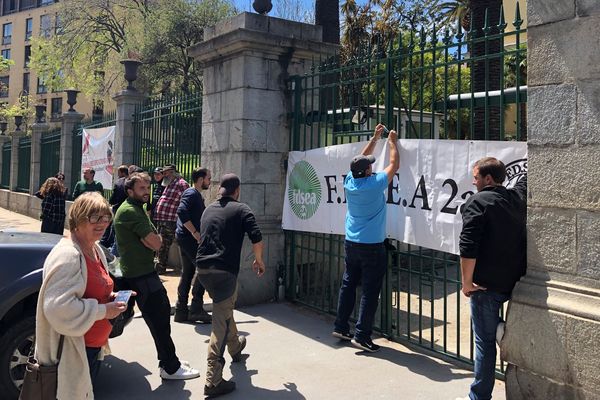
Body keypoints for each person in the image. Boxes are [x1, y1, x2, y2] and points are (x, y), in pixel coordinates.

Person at [34, 192, 128, 399]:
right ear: (78, 219)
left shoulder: (94, 249)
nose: (102, 223)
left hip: (91, 348)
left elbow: (90, 288)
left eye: (106, 218)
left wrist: (109, 297)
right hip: (74, 352)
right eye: (94, 217)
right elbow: (57, 309)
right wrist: (104, 311)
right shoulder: (69, 255)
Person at [113, 172, 200, 380]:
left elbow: (153, 240)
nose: (146, 192)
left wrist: (152, 239)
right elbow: (157, 243)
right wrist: (153, 240)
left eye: (147, 187)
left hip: (140, 272)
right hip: (141, 275)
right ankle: (170, 367)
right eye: (141, 188)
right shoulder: (131, 212)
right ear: (130, 190)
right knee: (159, 320)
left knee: (158, 320)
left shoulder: (137, 209)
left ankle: (169, 360)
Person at [456, 157, 527, 400]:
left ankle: (479, 396)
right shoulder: (516, 199)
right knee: (491, 336)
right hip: (514, 282)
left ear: (487, 179)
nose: (473, 181)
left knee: (484, 344)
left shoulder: (477, 202)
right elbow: (525, 182)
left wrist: (467, 284)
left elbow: (468, 246)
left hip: (485, 287)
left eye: (475, 177)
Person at [195, 173, 265, 397]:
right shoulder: (242, 209)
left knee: (224, 309)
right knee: (220, 323)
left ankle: (235, 348)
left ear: (220, 190)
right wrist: (259, 260)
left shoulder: (208, 209)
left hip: (203, 271)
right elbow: (257, 237)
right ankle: (213, 379)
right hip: (224, 272)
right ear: (237, 191)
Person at [332, 124, 399, 353]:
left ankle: (341, 326)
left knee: (349, 283)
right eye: (369, 165)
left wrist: (374, 138)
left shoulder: (350, 181)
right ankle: (362, 335)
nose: (372, 166)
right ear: (368, 172)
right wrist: (391, 142)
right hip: (372, 245)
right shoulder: (374, 183)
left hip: (352, 242)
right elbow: (394, 165)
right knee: (371, 291)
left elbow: (359, 161)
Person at [174, 167, 212, 323]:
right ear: (201, 179)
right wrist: (195, 233)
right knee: (204, 269)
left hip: (184, 238)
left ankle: (181, 310)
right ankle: (196, 308)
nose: (210, 181)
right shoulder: (191, 193)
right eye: (209, 178)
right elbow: (181, 211)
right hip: (189, 239)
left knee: (188, 272)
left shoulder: (194, 194)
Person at [154, 164, 189, 274]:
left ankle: (161, 267)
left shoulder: (181, 183)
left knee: (164, 244)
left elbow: (186, 200)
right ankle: (160, 266)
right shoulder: (169, 183)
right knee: (161, 243)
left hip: (171, 219)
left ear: (172, 172)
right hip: (162, 218)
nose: (163, 175)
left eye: (166, 172)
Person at [100, 165, 129, 250]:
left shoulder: (119, 182)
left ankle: (108, 248)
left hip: (117, 209)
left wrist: (110, 202)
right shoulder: (132, 183)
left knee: (113, 230)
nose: (118, 175)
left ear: (122, 172)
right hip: (127, 209)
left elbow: (113, 198)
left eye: (119, 173)